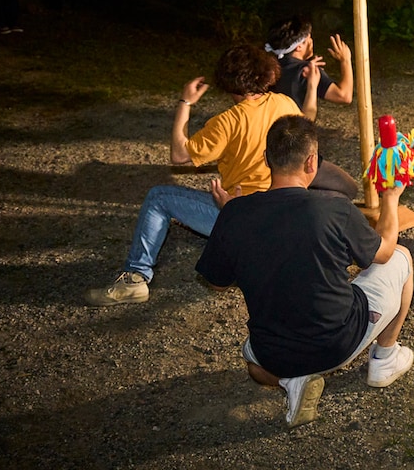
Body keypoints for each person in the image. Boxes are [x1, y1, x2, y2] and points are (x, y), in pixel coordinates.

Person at [196, 115, 414, 428]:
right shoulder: (333, 208)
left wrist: (236, 220)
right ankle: (385, 359)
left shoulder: (234, 213)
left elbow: (217, 283)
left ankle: (293, 380)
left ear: (267, 159)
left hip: (273, 353)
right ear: (311, 162)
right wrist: (390, 199)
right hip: (339, 342)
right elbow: (384, 252)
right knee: (402, 257)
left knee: (254, 366)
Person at [85, 44, 301, 306]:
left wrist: (185, 103)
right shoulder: (285, 103)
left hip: (242, 216)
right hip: (284, 214)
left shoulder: (228, 121)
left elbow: (179, 155)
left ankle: (135, 277)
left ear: (227, 81)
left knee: (159, 197)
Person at [264, 15, 359, 199]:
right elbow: (344, 96)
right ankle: (306, 203)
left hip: (270, 150)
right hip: (296, 151)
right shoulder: (307, 71)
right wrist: (346, 60)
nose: (312, 41)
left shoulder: (268, 70)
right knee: (349, 189)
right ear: (299, 46)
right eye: (309, 39)